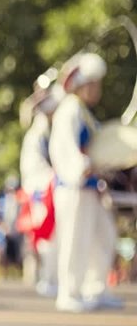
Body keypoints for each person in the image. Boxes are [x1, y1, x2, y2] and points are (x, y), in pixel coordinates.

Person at [49, 53, 124, 312]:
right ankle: (69, 293)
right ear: (80, 84)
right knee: (74, 239)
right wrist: (83, 166)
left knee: (103, 236)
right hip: (73, 187)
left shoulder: (85, 113)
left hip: (90, 188)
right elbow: (64, 148)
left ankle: (96, 288)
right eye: (93, 84)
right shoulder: (69, 109)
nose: (97, 90)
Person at [18, 85, 62, 295]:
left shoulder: (48, 133)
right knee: (46, 239)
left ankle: (52, 278)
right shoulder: (37, 136)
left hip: (50, 190)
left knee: (54, 238)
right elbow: (34, 169)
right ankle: (48, 279)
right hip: (42, 193)